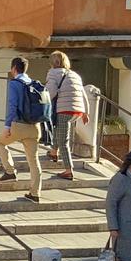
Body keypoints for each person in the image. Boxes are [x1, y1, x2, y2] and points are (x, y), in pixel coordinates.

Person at [0, 57, 47, 202]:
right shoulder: (33, 83)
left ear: (13, 68)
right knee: (34, 161)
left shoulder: (15, 84)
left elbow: (12, 106)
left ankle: (10, 172)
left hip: (19, 125)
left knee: (0, 143)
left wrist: (7, 126)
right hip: (35, 126)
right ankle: (35, 193)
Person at [44, 51, 87, 181]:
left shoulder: (53, 73)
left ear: (52, 62)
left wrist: (42, 102)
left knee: (63, 141)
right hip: (77, 111)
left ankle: (68, 170)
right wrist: (86, 112)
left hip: (64, 110)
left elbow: (50, 92)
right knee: (59, 130)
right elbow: (83, 94)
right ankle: (53, 152)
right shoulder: (75, 75)